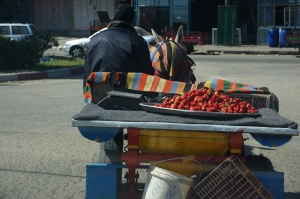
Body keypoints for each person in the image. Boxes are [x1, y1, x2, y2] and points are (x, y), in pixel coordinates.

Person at [83, 4, 154, 88]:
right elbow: (147, 75)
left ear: (113, 18)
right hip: (127, 95)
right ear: (132, 21)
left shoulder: (94, 40)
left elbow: (87, 70)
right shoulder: (137, 42)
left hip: (96, 94)